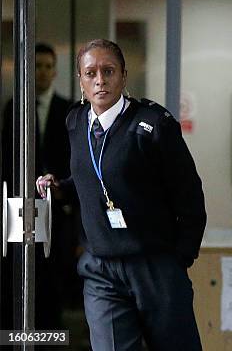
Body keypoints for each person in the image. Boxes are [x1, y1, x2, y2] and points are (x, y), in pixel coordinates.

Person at [37, 39, 207, 350]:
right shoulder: (75, 121)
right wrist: (60, 188)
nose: (100, 80)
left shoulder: (154, 125)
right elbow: (89, 179)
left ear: (123, 76)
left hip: (154, 266)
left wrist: (179, 259)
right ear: (80, 81)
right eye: (90, 73)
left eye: (108, 71)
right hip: (101, 268)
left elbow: (190, 195)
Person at [1, 43, 77, 332]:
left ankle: (50, 334)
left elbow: (73, 157)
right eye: (37, 66)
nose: (42, 72)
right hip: (21, 203)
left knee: (52, 271)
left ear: (55, 72)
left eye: (47, 66)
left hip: (55, 205)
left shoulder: (67, 109)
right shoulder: (15, 107)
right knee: (21, 268)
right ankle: (20, 331)